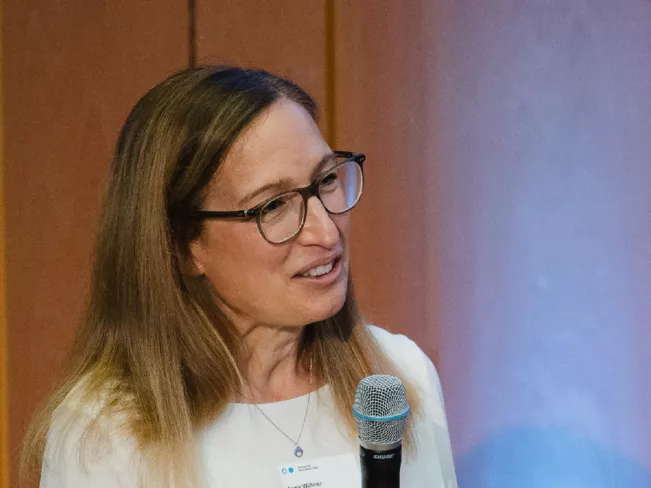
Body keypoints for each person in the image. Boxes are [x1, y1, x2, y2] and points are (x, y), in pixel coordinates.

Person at [22, 65, 457, 488]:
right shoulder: (105, 434)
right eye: (273, 206)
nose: (326, 232)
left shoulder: (400, 376)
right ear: (182, 246)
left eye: (326, 180)